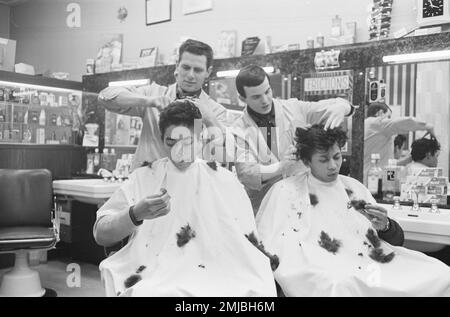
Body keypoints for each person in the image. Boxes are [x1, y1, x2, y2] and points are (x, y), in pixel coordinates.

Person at [94, 100, 276, 297]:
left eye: (187, 142)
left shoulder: (224, 181)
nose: (178, 152)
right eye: (170, 143)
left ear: (201, 138)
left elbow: (246, 246)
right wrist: (135, 214)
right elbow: (101, 234)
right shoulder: (144, 178)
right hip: (152, 272)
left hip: (216, 270)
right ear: (161, 139)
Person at [256, 124, 450, 296]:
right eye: (323, 160)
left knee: (441, 274)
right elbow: (274, 251)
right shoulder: (286, 192)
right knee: (340, 286)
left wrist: (386, 226)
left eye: (337, 157)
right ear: (307, 162)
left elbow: (396, 240)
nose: (333, 166)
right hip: (326, 268)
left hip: (371, 263)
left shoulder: (354, 188)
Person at [232, 65, 355, 213]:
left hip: (304, 200)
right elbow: (246, 174)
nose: (265, 100)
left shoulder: (294, 108)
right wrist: (280, 167)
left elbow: (336, 104)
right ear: (242, 98)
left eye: (267, 91)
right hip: (266, 207)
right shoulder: (238, 129)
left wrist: (343, 106)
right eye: (256, 96)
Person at [98, 39, 228, 170]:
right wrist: (148, 101)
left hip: (190, 186)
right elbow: (105, 97)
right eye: (186, 67)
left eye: (198, 70)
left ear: (208, 72)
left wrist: (210, 120)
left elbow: (224, 156)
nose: (190, 75)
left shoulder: (216, 111)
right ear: (177, 65)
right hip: (147, 184)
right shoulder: (153, 93)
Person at [364, 102, 434, 184]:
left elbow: (386, 163)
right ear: (380, 113)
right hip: (375, 181)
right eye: (388, 117)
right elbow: (402, 122)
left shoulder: (365, 125)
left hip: (369, 178)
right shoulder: (377, 123)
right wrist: (427, 126)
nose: (389, 120)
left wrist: (409, 158)